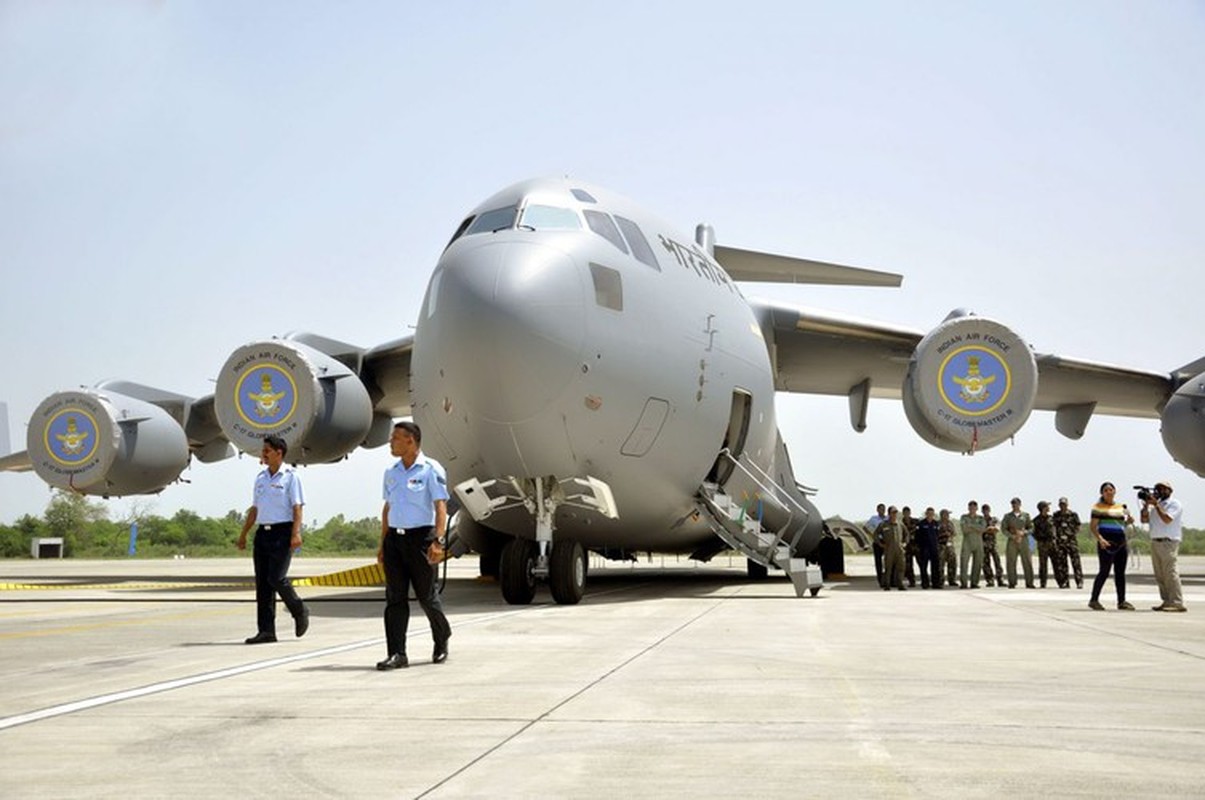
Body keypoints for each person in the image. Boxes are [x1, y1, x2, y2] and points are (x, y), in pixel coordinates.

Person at [377, 421, 453, 670]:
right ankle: (397, 653)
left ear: (411, 441)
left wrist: (439, 541)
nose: (391, 442)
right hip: (394, 543)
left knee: (427, 597)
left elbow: (441, 507)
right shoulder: (391, 472)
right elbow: (388, 508)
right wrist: (382, 545)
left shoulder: (430, 469)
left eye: (395, 438)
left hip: (421, 540)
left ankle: (441, 637)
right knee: (395, 599)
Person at [236, 435, 309, 644]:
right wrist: (244, 534)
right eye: (263, 451)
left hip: (282, 533)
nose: (263, 454)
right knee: (263, 584)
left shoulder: (290, 477)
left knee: (276, 578)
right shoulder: (260, 478)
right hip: (263, 534)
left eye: (267, 451)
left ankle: (299, 609)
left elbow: (297, 507)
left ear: (279, 453)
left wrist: (296, 533)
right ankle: (266, 631)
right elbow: (254, 509)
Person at [1088, 482, 1134, 611]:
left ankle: (1122, 601)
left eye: (1111, 489)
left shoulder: (1121, 507)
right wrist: (1101, 539)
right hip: (1106, 542)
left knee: (1120, 573)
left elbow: (1124, 523)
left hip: (1121, 542)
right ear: (1102, 493)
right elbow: (1093, 526)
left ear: (1115, 491)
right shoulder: (1098, 507)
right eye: (1106, 490)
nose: (1109, 492)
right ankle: (1094, 600)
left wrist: (1129, 520)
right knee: (1104, 571)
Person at [1142, 480, 1186, 612]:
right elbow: (1144, 520)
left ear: (1169, 490)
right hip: (1156, 541)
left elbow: (1167, 519)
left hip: (1168, 542)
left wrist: (1156, 505)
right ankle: (1167, 601)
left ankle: (1177, 602)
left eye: (1162, 489)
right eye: (1157, 489)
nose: (1159, 491)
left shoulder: (1174, 504)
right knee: (1160, 574)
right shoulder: (1158, 505)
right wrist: (1145, 507)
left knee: (1170, 573)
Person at [1002, 497, 1035, 589]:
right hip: (1012, 541)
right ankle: (1012, 582)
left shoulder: (1026, 515)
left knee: (1027, 562)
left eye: (1016, 503)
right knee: (1011, 562)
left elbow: (1031, 528)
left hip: (1024, 540)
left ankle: (1029, 583)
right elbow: (1003, 529)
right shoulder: (1007, 516)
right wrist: (1012, 536)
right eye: (1013, 503)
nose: (1014, 505)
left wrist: (1024, 533)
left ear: (1020, 504)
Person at [1052, 497, 1083, 589]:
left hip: (1071, 542)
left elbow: (1078, 527)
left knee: (1076, 563)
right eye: (1061, 504)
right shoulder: (1056, 515)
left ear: (1067, 504)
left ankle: (1079, 582)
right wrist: (1056, 537)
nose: (1063, 506)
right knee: (1062, 563)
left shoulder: (1073, 515)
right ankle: (1065, 582)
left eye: (1064, 504)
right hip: (1060, 542)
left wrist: (1071, 534)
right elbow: (1053, 527)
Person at [874, 506, 907, 590]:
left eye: (896, 512)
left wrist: (905, 543)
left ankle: (900, 584)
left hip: (899, 549)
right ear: (889, 514)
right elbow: (876, 534)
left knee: (901, 567)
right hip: (889, 549)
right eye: (893, 512)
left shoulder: (900, 524)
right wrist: (880, 544)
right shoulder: (883, 524)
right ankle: (887, 585)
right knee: (888, 568)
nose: (895, 514)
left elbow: (907, 534)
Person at [959, 501, 985, 589]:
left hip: (978, 542)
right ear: (968, 508)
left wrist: (971, 525)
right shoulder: (964, 517)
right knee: (964, 563)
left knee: (977, 563)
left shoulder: (981, 518)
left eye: (974, 508)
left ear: (977, 508)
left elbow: (983, 529)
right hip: (967, 542)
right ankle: (964, 583)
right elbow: (964, 529)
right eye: (971, 508)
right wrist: (976, 527)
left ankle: (974, 583)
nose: (972, 509)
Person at [915, 507, 941, 589]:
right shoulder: (921, 524)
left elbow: (938, 535)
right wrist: (919, 546)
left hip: (934, 548)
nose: (930, 515)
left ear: (933, 515)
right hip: (924, 548)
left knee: (935, 567)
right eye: (928, 513)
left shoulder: (936, 524)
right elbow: (917, 536)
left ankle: (935, 583)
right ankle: (925, 583)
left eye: (932, 514)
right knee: (924, 567)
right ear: (926, 514)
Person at [1032, 501, 1056, 588]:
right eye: (1047, 506)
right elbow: (1032, 532)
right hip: (1042, 545)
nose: (1049, 508)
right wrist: (1039, 540)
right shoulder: (1036, 520)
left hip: (1052, 544)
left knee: (1056, 563)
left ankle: (1061, 582)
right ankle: (1043, 583)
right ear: (1043, 508)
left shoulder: (1052, 518)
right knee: (1043, 565)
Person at [864, 502, 888, 588]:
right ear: (877, 510)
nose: (882, 510)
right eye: (881, 509)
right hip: (877, 540)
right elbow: (865, 527)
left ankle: (887, 579)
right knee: (878, 562)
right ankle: (880, 579)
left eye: (883, 509)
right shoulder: (874, 519)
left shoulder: (887, 518)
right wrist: (872, 535)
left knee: (887, 561)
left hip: (886, 541)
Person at [981, 503, 1003, 587]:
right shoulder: (980, 520)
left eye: (987, 509)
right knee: (986, 564)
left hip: (993, 544)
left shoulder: (994, 519)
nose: (985, 511)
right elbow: (979, 530)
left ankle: (1000, 580)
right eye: (984, 509)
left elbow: (996, 529)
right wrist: (989, 529)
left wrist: (986, 530)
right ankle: (990, 580)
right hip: (983, 544)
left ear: (989, 510)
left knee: (997, 562)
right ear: (982, 511)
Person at [938, 509, 959, 588]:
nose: (948, 516)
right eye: (946, 514)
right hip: (941, 546)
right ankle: (940, 581)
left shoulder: (950, 523)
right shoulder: (937, 524)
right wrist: (943, 534)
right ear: (942, 515)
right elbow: (935, 534)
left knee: (952, 563)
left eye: (948, 514)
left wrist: (951, 534)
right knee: (941, 564)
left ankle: (952, 580)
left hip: (950, 546)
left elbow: (954, 533)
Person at [901, 506, 920, 587]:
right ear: (903, 513)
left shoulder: (916, 521)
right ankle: (912, 581)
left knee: (921, 563)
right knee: (908, 565)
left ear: (910, 513)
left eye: (908, 512)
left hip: (916, 545)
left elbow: (920, 531)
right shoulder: (901, 523)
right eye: (905, 513)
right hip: (907, 547)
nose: (906, 514)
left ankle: (925, 580)